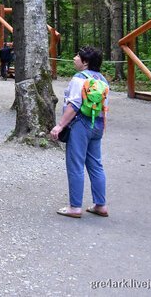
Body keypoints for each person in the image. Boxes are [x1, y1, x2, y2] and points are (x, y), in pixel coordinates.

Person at [50, 46, 109, 218]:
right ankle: (100, 205)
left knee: (75, 165)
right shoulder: (103, 80)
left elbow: (74, 105)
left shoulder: (79, 79)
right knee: (96, 165)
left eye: (78, 56)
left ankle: (75, 207)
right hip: (97, 125)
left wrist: (60, 126)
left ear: (85, 62)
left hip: (80, 126)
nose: (75, 58)